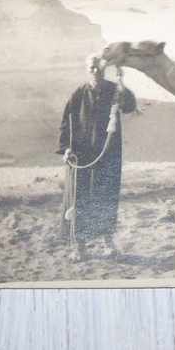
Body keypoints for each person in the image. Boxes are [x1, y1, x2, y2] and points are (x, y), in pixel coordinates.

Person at [56, 55, 137, 260]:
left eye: (99, 68)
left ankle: (107, 243)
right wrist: (66, 148)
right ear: (87, 69)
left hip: (107, 154)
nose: (95, 71)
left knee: (105, 199)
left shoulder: (114, 91)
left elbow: (128, 106)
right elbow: (66, 123)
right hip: (81, 156)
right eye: (92, 68)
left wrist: (122, 82)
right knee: (80, 199)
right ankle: (80, 247)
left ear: (104, 69)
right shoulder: (78, 95)